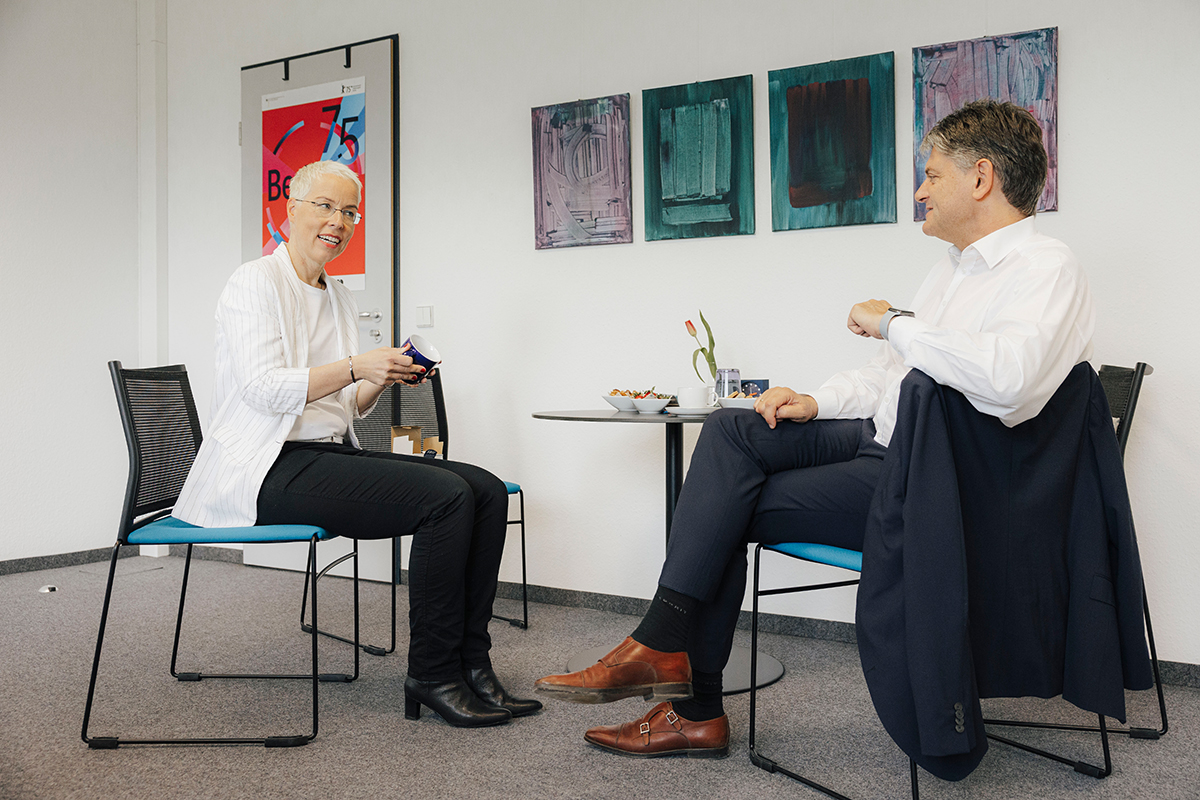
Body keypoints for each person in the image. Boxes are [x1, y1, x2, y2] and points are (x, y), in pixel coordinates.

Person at [535, 99, 1094, 757]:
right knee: (732, 429)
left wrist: (894, 321)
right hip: (881, 444)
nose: (920, 190)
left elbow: (1008, 380)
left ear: (980, 179)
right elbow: (890, 379)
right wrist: (815, 400)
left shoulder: (1046, 269)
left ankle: (687, 695)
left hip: (945, 487)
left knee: (725, 508)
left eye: (932, 175)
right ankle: (664, 647)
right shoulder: (951, 271)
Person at [174, 160, 540, 728]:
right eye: (325, 206)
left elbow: (346, 409)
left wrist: (378, 378)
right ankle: (433, 673)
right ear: (289, 208)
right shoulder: (254, 281)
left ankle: (473, 662)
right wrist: (353, 365)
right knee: (446, 498)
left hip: (324, 453)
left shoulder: (338, 295)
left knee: (487, 490)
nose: (338, 222)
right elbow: (262, 388)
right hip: (264, 466)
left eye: (349, 212)